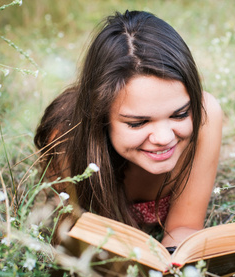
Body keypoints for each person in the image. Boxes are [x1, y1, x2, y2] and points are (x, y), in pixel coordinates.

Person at [34, 10, 222, 249]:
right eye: (138, 123)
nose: (164, 138)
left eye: (180, 114)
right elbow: (71, 238)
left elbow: (185, 226)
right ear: (100, 116)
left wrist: (174, 261)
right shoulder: (65, 138)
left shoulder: (205, 114)